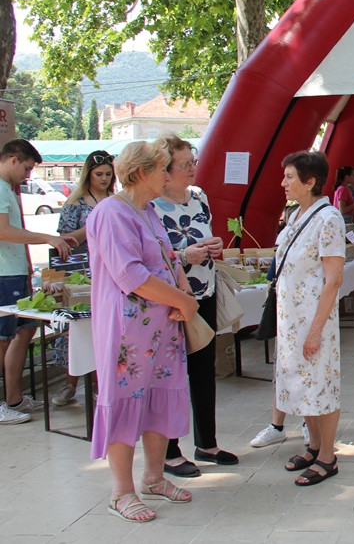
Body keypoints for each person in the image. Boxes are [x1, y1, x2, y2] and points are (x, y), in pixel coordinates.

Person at [87, 140, 199, 522]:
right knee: (124, 400)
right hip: (128, 332)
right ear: (140, 173)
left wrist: (184, 292)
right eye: (163, 169)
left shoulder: (148, 210)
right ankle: (121, 492)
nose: (168, 176)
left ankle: (154, 478)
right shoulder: (111, 213)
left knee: (160, 398)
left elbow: (168, 258)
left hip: (161, 329)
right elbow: (130, 275)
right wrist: (183, 301)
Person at [154, 135, 237, 478]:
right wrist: (182, 256)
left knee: (204, 370)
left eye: (193, 162)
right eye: (184, 164)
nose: (192, 169)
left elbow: (206, 234)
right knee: (172, 373)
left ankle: (207, 443)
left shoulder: (199, 196)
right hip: (170, 299)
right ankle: (169, 451)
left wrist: (214, 246)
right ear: (164, 170)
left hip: (204, 291)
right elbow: (149, 257)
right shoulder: (151, 205)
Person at [275, 150, 346, 487]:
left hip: (314, 318)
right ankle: (314, 445)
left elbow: (333, 279)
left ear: (310, 181)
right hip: (291, 320)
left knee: (322, 384)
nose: (284, 183)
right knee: (303, 384)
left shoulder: (329, 218)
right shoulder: (296, 215)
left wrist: (315, 330)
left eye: (290, 177)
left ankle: (328, 456)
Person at [0, 139, 74, 425]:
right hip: (4, 273)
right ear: (13, 159)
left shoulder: (9, 188)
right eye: (27, 168)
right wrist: (47, 238)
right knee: (3, 339)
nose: (28, 175)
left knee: (24, 330)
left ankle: (14, 397)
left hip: (16, 271)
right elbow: (4, 231)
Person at [50, 150, 117, 408]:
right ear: (88, 174)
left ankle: (102, 385)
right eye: (99, 174)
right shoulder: (75, 203)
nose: (104, 179)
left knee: (106, 328)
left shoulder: (116, 199)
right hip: (82, 272)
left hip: (112, 268)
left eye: (108, 174)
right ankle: (71, 383)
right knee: (77, 330)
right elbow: (65, 241)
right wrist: (93, 225)